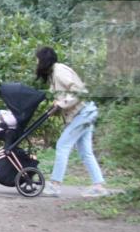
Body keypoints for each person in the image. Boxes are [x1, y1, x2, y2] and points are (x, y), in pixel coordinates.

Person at [35, 47, 109, 197]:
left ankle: (55, 185)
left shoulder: (59, 70)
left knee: (63, 145)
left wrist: (61, 104)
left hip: (83, 113)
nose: (36, 63)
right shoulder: (53, 74)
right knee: (85, 152)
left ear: (44, 59)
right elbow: (64, 97)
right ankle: (99, 186)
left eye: (37, 59)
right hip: (85, 112)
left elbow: (79, 91)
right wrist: (56, 107)